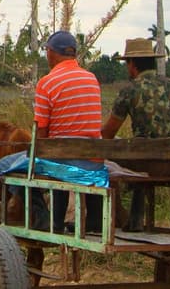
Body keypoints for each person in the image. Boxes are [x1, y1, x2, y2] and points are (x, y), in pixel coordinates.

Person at [102, 37, 170, 230]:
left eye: (127, 64)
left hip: (144, 162)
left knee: (111, 149)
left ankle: (109, 215)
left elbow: (108, 133)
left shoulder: (130, 90)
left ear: (132, 65)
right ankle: (134, 218)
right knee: (139, 148)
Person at [26, 30, 106, 232]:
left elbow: (41, 134)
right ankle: (94, 221)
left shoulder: (47, 83)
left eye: (47, 51)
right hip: (94, 164)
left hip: (63, 162)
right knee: (59, 156)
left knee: (6, 166)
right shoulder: (92, 79)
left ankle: (47, 220)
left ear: (52, 53)